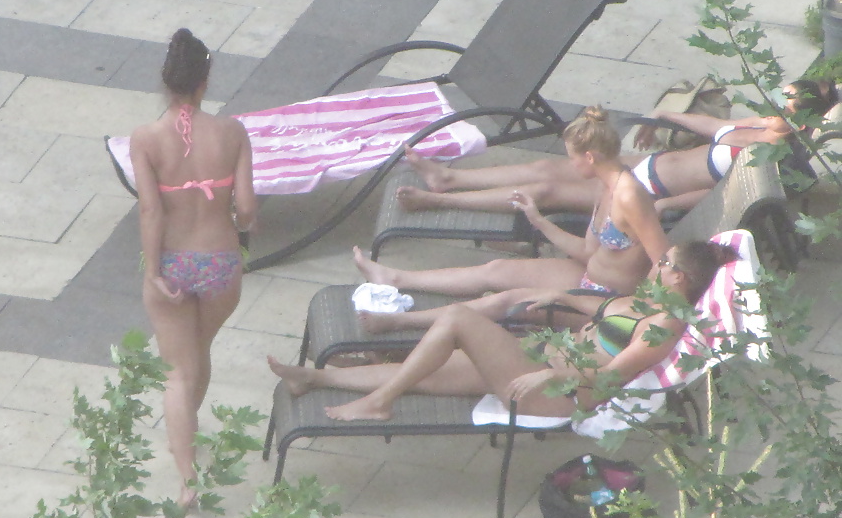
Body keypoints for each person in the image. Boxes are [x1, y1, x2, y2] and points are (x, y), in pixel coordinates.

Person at [268, 240, 739, 421]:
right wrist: (567, 300)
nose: (657, 263)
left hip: (559, 394)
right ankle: (316, 378)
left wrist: (551, 378)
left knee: (458, 320)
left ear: (680, 279)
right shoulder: (650, 301)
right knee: (431, 372)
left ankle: (377, 403)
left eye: (665, 262)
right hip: (541, 362)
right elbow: (605, 316)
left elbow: (612, 376)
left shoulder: (666, 324)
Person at [353, 105, 669, 333]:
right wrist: (538, 220)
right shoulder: (605, 185)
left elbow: (664, 262)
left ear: (590, 157)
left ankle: (398, 322)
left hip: (607, 302)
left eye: (572, 157)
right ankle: (397, 279)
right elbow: (588, 252)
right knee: (497, 269)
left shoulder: (630, 196)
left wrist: (638, 318)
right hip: (589, 277)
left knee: (507, 301)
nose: (570, 165)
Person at [129, 28, 257, 508]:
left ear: (166, 83)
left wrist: (155, 272)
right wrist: (243, 219)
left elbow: (150, 211)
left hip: (175, 262)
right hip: (222, 262)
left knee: (176, 372)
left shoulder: (146, 139)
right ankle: (187, 431)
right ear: (205, 82)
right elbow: (245, 207)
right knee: (198, 350)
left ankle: (187, 478)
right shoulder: (232, 132)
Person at [396, 79, 838, 216]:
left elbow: (722, 196)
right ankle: (450, 177)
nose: (777, 104)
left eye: (787, 102)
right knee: (549, 167)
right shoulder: (763, 126)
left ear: (802, 117)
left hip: (648, 191)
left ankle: (437, 199)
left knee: (547, 190)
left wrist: (663, 208)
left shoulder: (768, 157)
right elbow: (717, 125)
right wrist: (667, 116)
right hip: (645, 165)